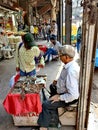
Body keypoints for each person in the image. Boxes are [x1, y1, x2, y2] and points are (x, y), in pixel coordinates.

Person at [37, 45, 80, 130]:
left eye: (61, 56)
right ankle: (53, 103)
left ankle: (43, 126)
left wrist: (59, 97)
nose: (59, 57)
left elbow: (73, 95)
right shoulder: (70, 64)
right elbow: (66, 80)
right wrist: (58, 82)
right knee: (52, 86)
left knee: (45, 105)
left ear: (67, 57)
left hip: (69, 97)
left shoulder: (71, 71)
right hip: (64, 91)